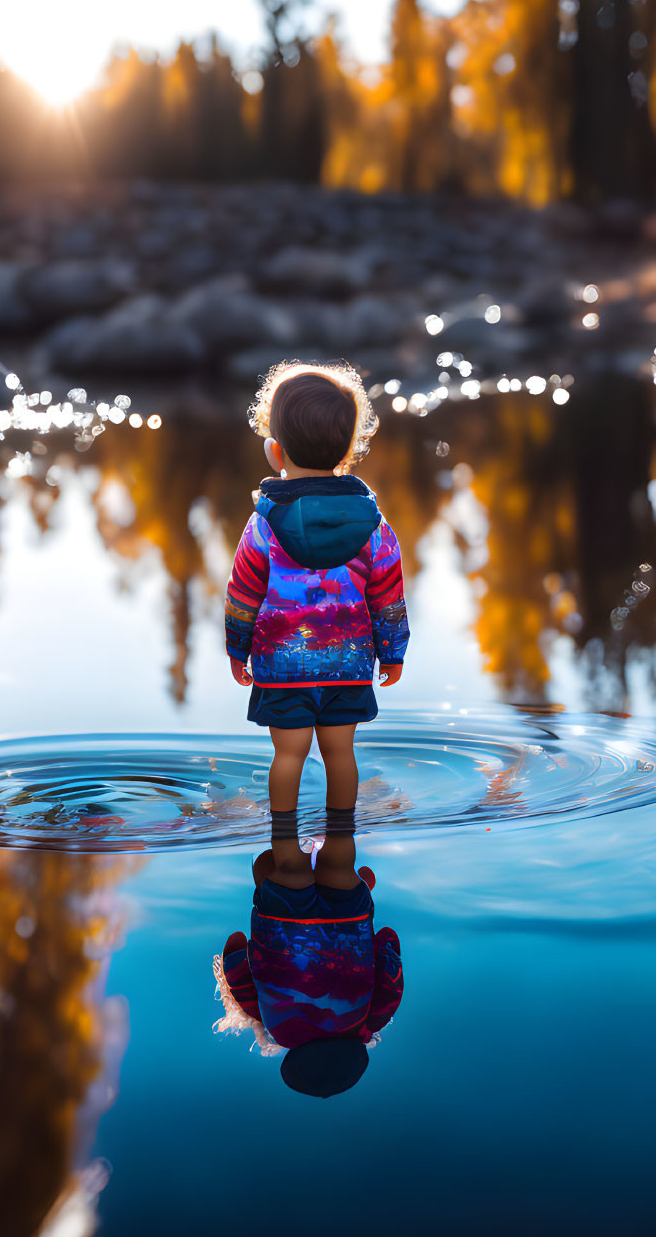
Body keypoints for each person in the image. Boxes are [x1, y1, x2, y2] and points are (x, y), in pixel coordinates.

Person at [223, 361, 410, 836]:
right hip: (348, 666)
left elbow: (242, 592)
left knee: (288, 755)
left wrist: (236, 647)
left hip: (282, 668)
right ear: (348, 451)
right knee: (341, 754)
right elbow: (388, 593)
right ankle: (342, 850)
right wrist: (393, 652)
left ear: (275, 451)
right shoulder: (373, 524)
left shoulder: (264, 524)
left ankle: (284, 844)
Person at [213, 808, 404, 1098]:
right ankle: (272, 811)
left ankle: (357, 883)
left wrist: (378, 941)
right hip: (281, 918)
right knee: (269, 863)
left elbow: (390, 957)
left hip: (347, 918)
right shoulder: (279, 1030)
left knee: (341, 861)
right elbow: (236, 957)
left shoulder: (368, 1021)